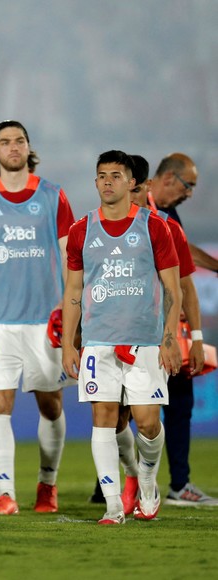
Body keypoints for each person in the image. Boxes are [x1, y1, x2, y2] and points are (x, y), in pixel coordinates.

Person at [0, 120, 74, 515]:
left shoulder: (54, 196)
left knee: (51, 406)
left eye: (19, 140)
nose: (13, 147)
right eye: (5, 142)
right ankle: (5, 494)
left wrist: (72, 311)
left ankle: (47, 484)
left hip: (45, 320)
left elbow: (69, 257)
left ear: (28, 147)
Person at [62, 150, 182, 524]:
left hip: (145, 341)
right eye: (102, 176)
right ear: (95, 182)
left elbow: (173, 289)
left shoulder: (154, 227)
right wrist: (69, 343)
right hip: (98, 341)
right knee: (104, 419)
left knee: (147, 423)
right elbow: (73, 291)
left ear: (132, 183)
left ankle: (146, 478)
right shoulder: (81, 230)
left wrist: (170, 338)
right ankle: (114, 505)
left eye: (116, 175)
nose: (108, 182)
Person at [88, 154, 207, 513]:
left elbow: (184, 287)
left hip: (152, 337)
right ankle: (127, 480)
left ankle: (157, 481)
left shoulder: (164, 226)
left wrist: (194, 338)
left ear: (142, 187)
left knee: (150, 418)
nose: (132, 196)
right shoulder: (96, 228)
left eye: (137, 189)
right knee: (113, 419)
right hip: (109, 336)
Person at [146, 153, 218, 506]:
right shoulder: (134, 204)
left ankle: (179, 483)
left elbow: (182, 256)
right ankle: (111, 485)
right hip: (134, 324)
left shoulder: (169, 215)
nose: (190, 193)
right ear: (169, 178)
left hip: (166, 325)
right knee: (122, 408)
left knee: (179, 401)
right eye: (188, 185)